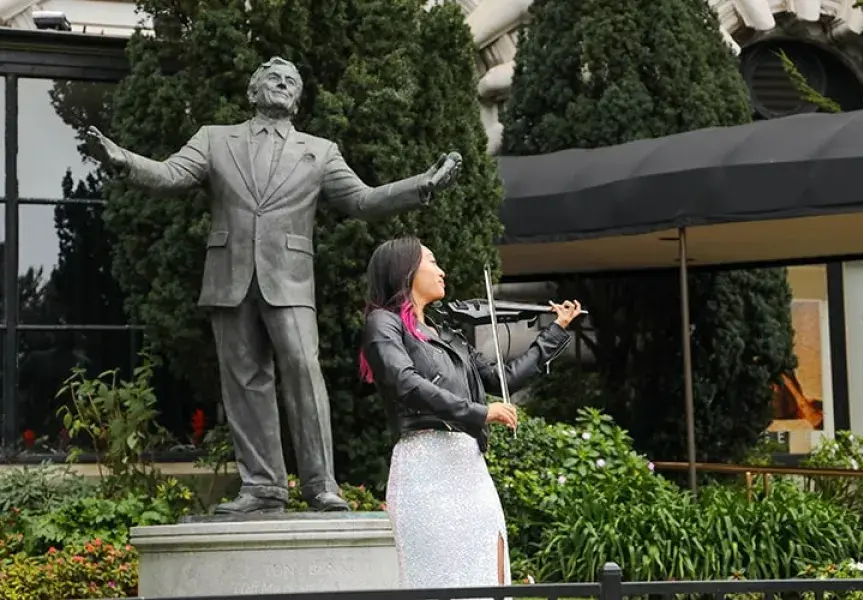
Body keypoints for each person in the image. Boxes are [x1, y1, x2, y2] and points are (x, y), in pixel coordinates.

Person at [85, 57, 462, 515]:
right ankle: (262, 487)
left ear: (297, 99)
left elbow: (362, 200)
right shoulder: (214, 139)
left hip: (290, 280)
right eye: (273, 78)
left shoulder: (319, 151)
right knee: (245, 381)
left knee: (304, 370)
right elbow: (169, 175)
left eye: (290, 81)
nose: (282, 84)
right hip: (229, 278)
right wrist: (121, 158)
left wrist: (421, 185)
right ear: (253, 91)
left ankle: (321, 485)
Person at [359, 237, 582, 593]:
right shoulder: (383, 323)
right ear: (406, 269)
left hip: (469, 468)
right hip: (425, 467)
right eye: (432, 261)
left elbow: (502, 379)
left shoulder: (449, 335)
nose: (442, 271)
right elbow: (405, 383)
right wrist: (478, 413)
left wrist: (555, 331)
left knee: (487, 570)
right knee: (442, 579)